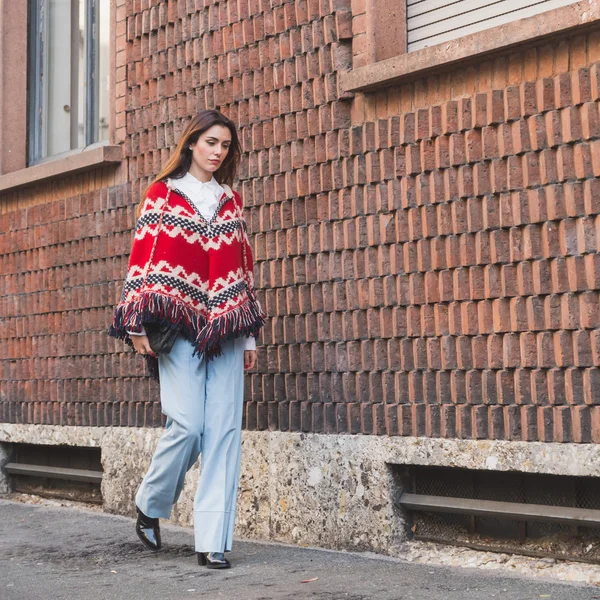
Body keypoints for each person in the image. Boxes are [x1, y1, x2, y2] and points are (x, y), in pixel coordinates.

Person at [108, 109, 265, 569]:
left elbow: (243, 268)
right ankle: (152, 504)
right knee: (188, 425)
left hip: (229, 327)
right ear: (192, 142)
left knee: (224, 432)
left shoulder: (230, 200)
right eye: (211, 142)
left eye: (226, 146)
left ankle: (212, 540)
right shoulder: (163, 194)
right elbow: (143, 259)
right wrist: (135, 324)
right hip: (176, 326)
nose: (218, 152)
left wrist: (251, 337)